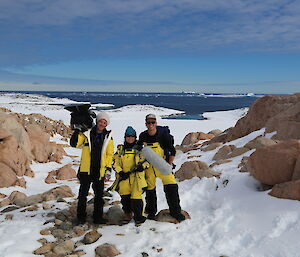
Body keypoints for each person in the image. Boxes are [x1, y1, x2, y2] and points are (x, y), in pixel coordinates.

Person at [137, 114, 185, 222]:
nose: (151, 125)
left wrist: (169, 164)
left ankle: (176, 212)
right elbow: (140, 150)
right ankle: (151, 212)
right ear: (146, 124)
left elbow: (172, 151)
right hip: (149, 168)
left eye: (153, 123)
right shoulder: (142, 136)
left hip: (163, 165)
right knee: (150, 190)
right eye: (148, 123)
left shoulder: (163, 135)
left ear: (156, 123)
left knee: (171, 187)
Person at [70, 111, 114, 224]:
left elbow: (109, 155)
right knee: (82, 195)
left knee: (99, 196)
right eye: (100, 121)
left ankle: (98, 218)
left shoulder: (108, 137)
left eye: (104, 122)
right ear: (97, 121)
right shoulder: (86, 134)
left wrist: (108, 169)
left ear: (106, 124)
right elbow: (74, 144)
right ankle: (81, 218)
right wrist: (77, 130)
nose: (102, 124)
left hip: (99, 171)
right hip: (86, 170)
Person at [112, 126, 149, 225]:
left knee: (136, 198)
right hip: (124, 178)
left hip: (137, 178)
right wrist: (120, 172)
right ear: (125, 137)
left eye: (132, 136)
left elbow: (147, 161)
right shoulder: (120, 150)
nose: (130, 138)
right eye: (128, 136)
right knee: (125, 198)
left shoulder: (140, 149)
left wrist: (143, 166)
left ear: (135, 137)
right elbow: (115, 163)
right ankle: (127, 214)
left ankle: (139, 217)